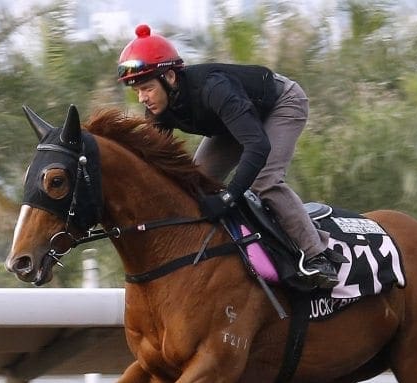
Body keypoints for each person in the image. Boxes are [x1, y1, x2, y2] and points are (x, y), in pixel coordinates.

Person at [117, 24, 340, 289]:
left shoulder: (214, 88)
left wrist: (228, 197)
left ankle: (317, 256)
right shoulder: (158, 108)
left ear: (171, 77)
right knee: (195, 182)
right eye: (137, 91)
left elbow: (257, 146)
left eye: (147, 88)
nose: (142, 98)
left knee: (264, 180)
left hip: (280, 104)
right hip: (233, 123)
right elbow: (155, 166)